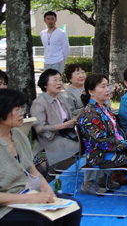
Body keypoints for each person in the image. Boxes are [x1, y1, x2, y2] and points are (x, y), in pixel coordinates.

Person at [0, 89, 82, 225]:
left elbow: (31, 168)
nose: (22, 113)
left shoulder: (18, 135)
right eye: (17, 110)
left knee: (74, 207)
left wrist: (47, 190)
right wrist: (31, 199)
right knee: (45, 219)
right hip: (6, 206)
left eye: (22, 109)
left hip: (27, 194)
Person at [78, 74, 127, 194]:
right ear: (91, 91)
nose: (107, 89)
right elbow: (101, 142)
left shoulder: (103, 108)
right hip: (100, 155)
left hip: (111, 149)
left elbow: (116, 134)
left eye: (107, 85)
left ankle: (105, 180)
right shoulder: (90, 113)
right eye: (102, 86)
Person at [31, 69, 79, 167]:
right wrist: (62, 126)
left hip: (68, 134)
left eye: (60, 80)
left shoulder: (61, 98)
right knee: (86, 146)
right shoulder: (39, 102)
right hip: (52, 139)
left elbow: (69, 117)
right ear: (45, 84)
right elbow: (39, 128)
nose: (59, 83)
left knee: (91, 142)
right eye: (55, 80)